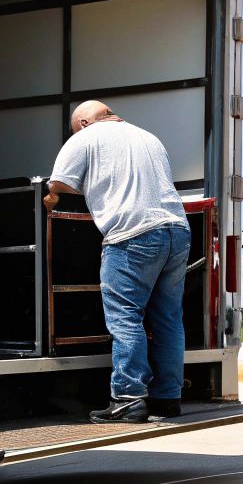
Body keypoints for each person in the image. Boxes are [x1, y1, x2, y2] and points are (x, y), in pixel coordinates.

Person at [44, 100, 190, 424]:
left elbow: (59, 186)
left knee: (126, 318)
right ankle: (167, 398)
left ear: (83, 122)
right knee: (167, 318)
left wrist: (51, 198)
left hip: (132, 234)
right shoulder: (149, 138)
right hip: (177, 232)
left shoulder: (85, 137)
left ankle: (127, 399)